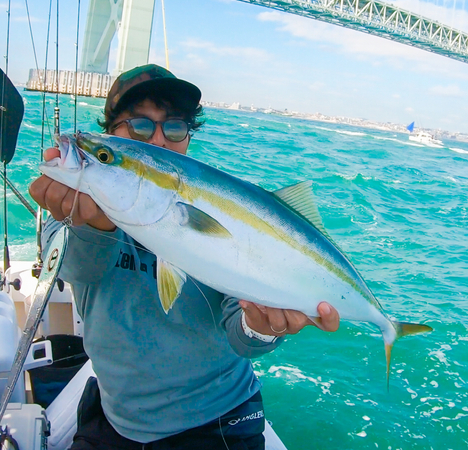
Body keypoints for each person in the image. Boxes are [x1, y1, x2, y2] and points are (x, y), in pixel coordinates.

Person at [29, 64, 340, 450]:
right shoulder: (71, 203)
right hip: (115, 419)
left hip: (218, 420)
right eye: (140, 125)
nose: (158, 140)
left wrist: (263, 326)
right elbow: (77, 270)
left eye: (174, 127)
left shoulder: (221, 208)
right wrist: (90, 224)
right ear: (111, 132)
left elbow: (242, 336)